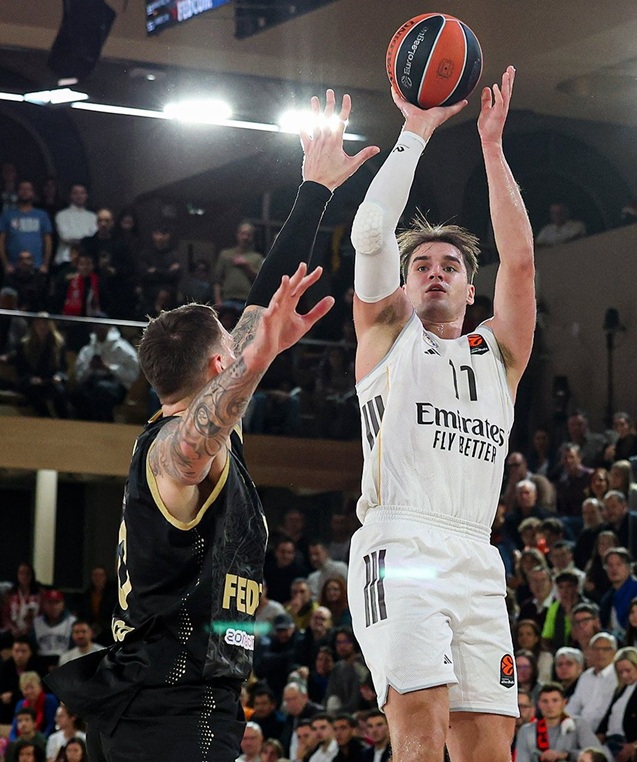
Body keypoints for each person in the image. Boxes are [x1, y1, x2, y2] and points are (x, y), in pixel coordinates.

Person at [45, 89, 376, 762]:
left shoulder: (213, 424)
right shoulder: (170, 451)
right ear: (222, 364)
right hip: (169, 708)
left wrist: (313, 190)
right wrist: (260, 357)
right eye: (234, 345)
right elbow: (194, 444)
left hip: (174, 699)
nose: (244, 337)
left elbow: (261, 304)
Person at [347, 67, 534, 762]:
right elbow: (372, 232)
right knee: (421, 738)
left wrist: (492, 148)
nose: (433, 271)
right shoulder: (386, 337)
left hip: (475, 555)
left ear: (469, 287)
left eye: (449, 265)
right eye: (420, 264)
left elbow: (520, 263)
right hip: (401, 546)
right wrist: (416, 130)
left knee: (489, 750)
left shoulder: (499, 354)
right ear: (402, 286)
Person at [515, 683, 607, 762]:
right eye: (545, 701)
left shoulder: (578, 725)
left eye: (555, 700)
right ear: (539, 704)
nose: (550, 705)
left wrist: (566, 755)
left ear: (564, 702)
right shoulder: (526, 731)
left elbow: (598, 756)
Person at [0, 180, 53, 274]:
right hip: (13, 268)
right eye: (22, 189)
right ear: (17, 192)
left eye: (28, 189)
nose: (25, 191)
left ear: (33, 193)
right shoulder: (7, 215)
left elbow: (48, 241)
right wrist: (5, 264)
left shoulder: (42, 215)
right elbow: (1, 241)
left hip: (37, 267)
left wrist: (45, 264)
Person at [596, 646, 637, 761]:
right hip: (610, 740)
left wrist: (634, 746)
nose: (624, 675)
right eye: (620, 672)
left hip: (626, 742)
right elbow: (608, 717)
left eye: (628, 671)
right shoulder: (620, 690)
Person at [213, 221, 264, 311]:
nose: (245, 237)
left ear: (252, 237)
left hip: (248, 302)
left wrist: (246, 266)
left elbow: (260, 282)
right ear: (237, 235)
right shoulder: (225, 255)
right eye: (243, 234)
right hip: (227, 300)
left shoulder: (257, 258)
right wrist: (218, 300)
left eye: (248, 235)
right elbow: (217, 280)